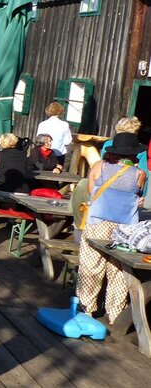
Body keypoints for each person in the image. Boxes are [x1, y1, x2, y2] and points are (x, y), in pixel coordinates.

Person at [77, 132, 146, 324]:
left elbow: (91, 192)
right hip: (125, 228)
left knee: (91, 264)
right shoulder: (140, 174)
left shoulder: (99, 167)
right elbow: (138, 195)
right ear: (134, 154)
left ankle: (86, 307)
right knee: (118, 270)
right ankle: (115, 313)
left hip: (97, 222)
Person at [100, 116, 149, 197]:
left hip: (107, 186)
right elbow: (144, 174)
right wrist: (142, 196)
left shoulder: (108, 144)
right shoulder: (139, 150)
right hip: (128, 190)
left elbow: (102, 165)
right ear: (135, 132)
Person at [36, 102, 73, 167]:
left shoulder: (42, 124)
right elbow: (68, 141)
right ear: (60, 112)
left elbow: (38, 139)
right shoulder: (64, 125)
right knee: (57, 172)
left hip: (44, 153)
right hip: (59, 153)